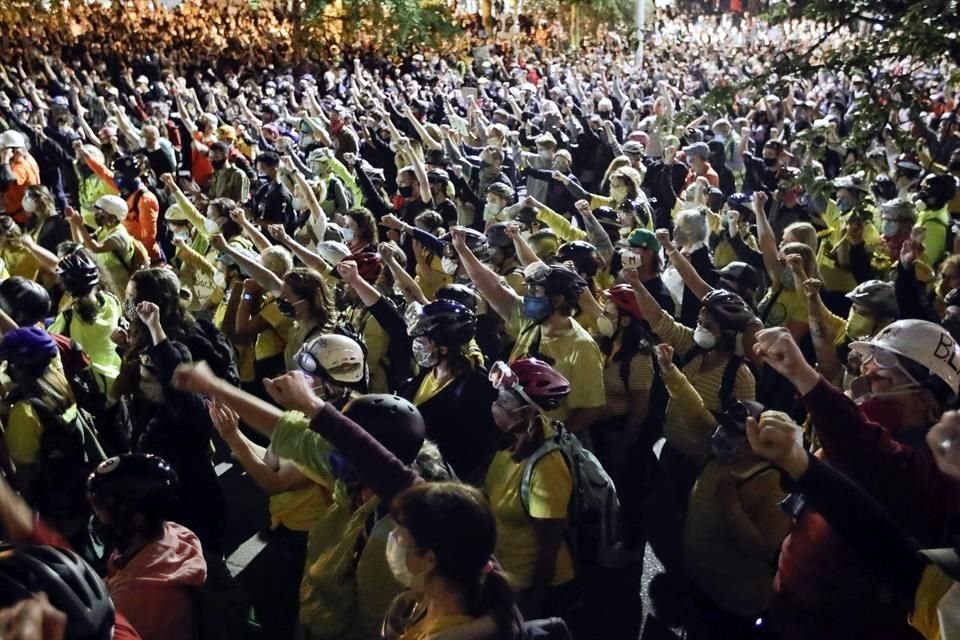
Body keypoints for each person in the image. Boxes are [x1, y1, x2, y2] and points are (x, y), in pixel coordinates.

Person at [86, 454, 207, 640]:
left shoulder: (137, 595)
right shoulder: (174, 533)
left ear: (136, 518)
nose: (97, 520)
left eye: (102, 513)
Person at [0, 129, 41, 223]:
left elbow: (6, 179)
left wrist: (5, 159)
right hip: (14, 212)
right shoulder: (16, 162)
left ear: (12, 151)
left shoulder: (21, 167)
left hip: (21, 217)